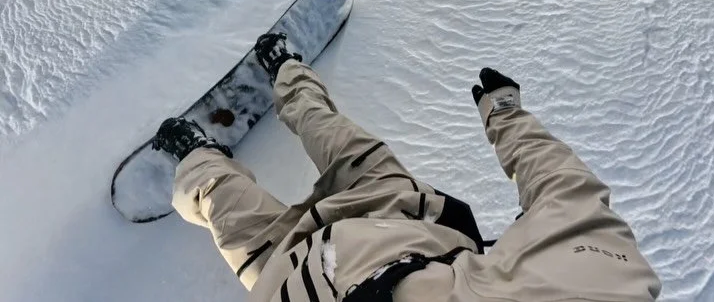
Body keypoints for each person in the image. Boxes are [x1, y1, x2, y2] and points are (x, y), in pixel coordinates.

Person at [153, 34, 661, 301]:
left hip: (294, 272)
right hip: (398, 216)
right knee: (327, 129)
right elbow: (566, 189)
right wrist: (504, 113)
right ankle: (286, 69)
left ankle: (196, 156)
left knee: (222, 200)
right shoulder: (606, 284)